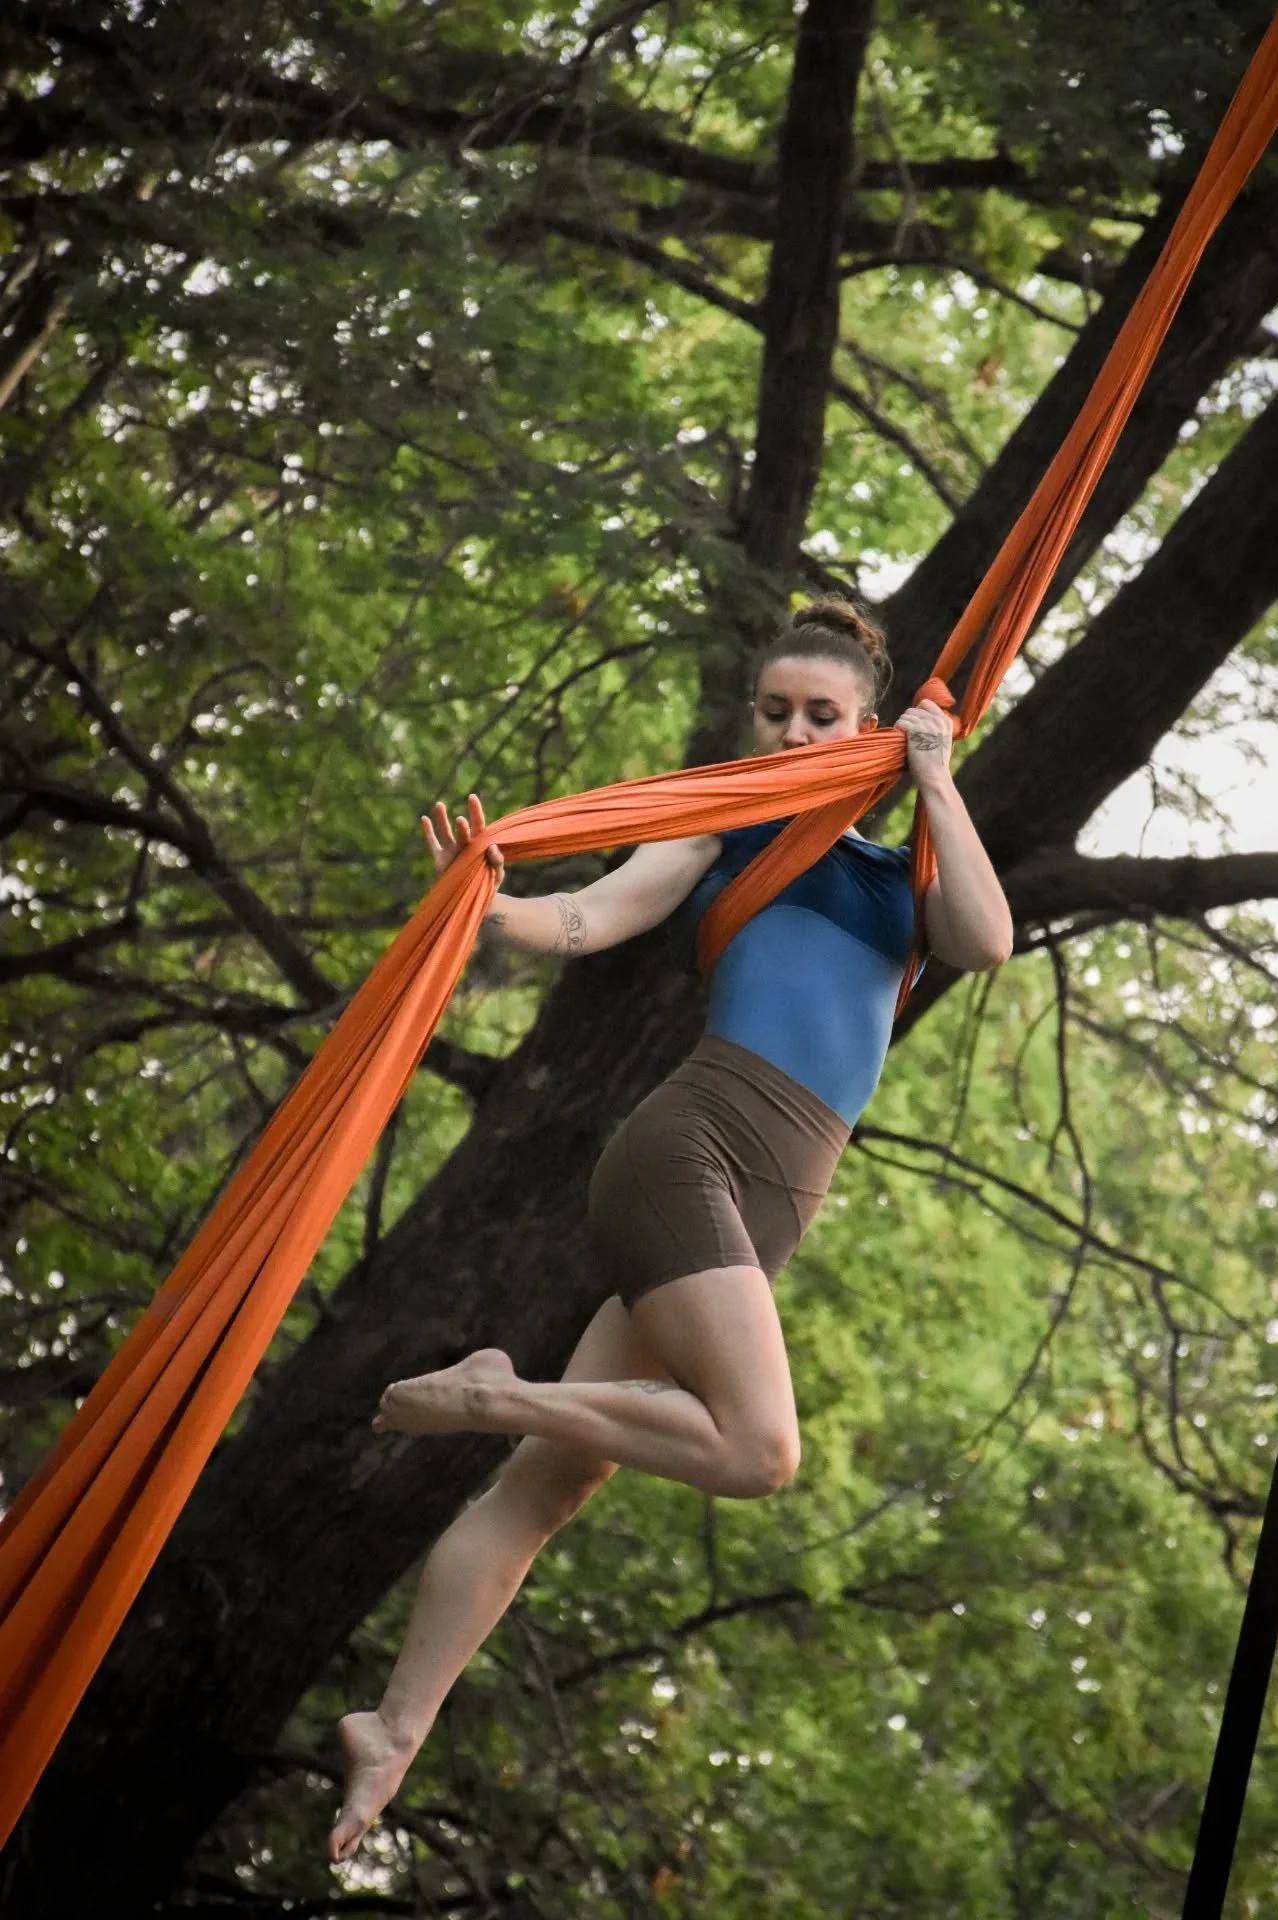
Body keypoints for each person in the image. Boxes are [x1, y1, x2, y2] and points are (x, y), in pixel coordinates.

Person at [328, 600, 1012, 1862]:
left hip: (770, 1202)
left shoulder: (904, 870)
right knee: (760, 1451)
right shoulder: (727, 826)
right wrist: (490, 908)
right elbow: (592, 913)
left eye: (822, 716)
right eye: (773, 711)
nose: (792, 731)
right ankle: (496, 1395)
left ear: (864, 726)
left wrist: (934, 777)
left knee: (548, 1492)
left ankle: (395, 1729)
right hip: (689, 1148)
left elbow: (985, 939)